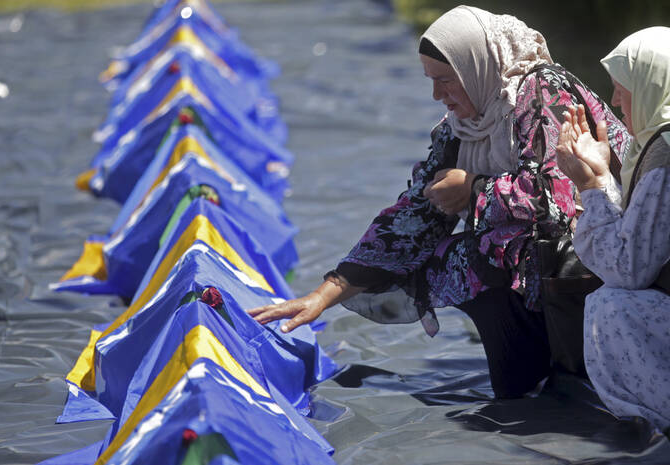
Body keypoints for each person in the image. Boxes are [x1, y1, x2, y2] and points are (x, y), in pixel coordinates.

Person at [250, 6, 630, 399]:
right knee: (460, 257)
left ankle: (577, 367)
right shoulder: (462, 127)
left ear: (476, 69)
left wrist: (475, 189)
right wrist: (326, 292)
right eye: (432, 81)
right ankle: (532, 375)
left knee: (486, 251)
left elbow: (560, 197)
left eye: (446, 81)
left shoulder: (541, 93)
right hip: (542, 263)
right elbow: (416, 213)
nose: (437, 95)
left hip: (605, 258)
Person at [556, 27, 670, 448]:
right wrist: (602, 173)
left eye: (622, 89)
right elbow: (642, 241)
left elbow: (628, 269)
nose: (615, 101)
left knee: (610, 307)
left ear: (654, 87)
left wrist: (589, 185)